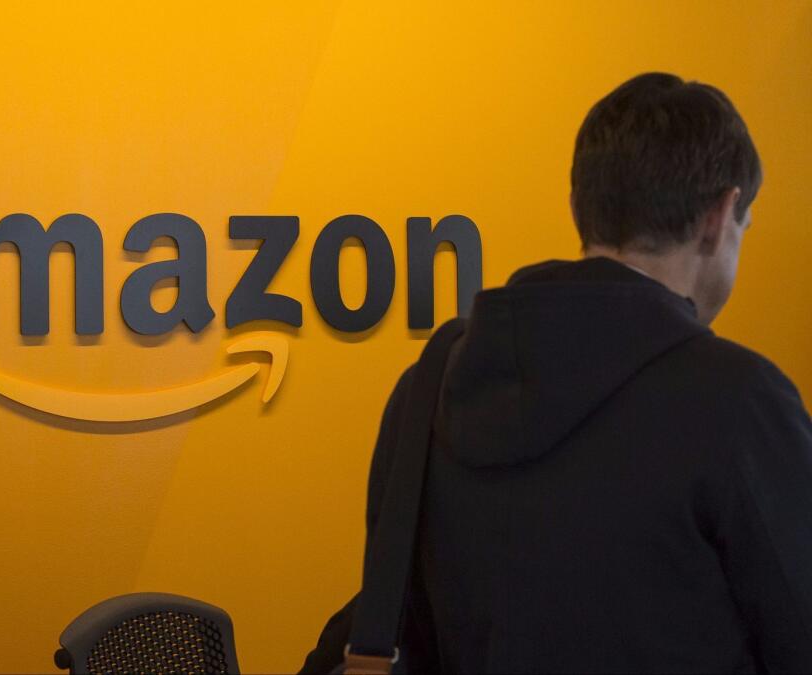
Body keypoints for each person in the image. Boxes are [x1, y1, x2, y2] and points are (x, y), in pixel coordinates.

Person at [300, 72, 812, 673]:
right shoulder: (738, 401)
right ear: (720, 216)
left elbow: (410, 629)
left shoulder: (427, 389)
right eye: (744, 224)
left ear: (579, 207)